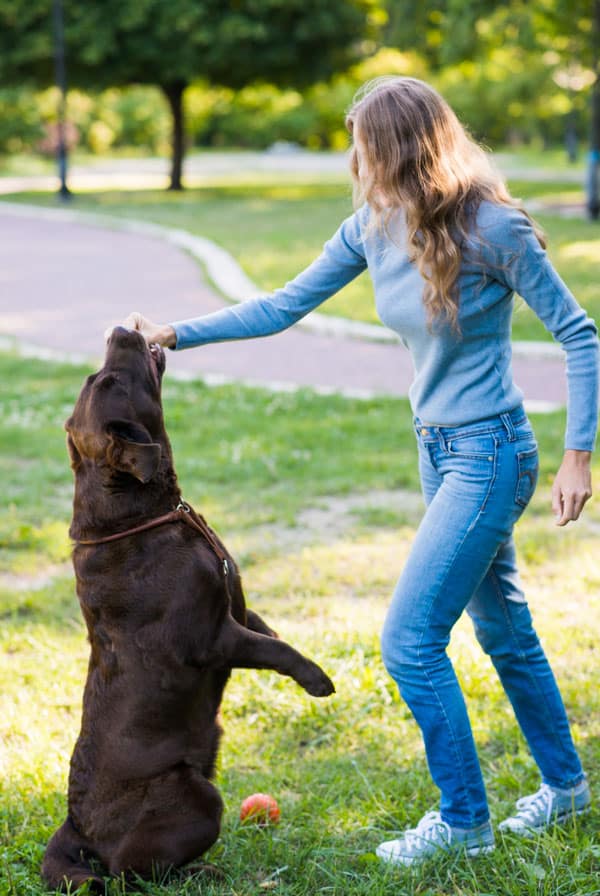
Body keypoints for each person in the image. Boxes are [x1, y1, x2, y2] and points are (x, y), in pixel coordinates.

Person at [121, 77, 598, 865]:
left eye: (363, 144)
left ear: (400, 148)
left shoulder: (495, 226)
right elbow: (282, 306)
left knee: (410, 641)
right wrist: (174, 332)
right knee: (505, 630)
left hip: (490, 453)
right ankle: (567, 787)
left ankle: (464, 821)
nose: (354, 159)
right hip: (438, 450)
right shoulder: (376, 225)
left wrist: (578, 456)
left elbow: (580, 335)